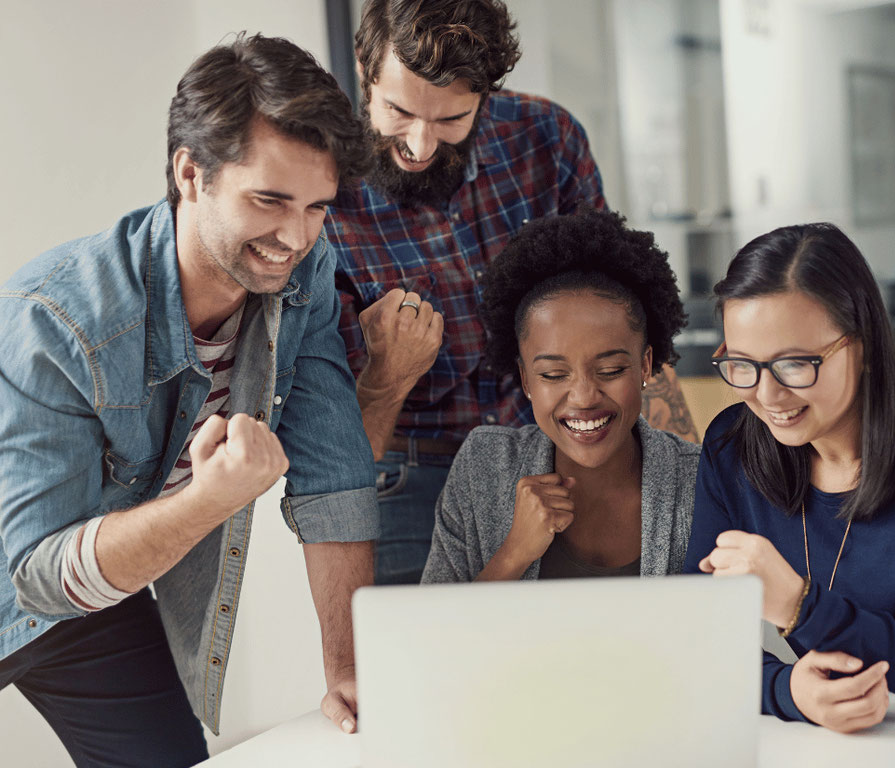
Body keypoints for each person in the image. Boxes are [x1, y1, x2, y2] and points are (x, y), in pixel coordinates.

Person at [0, 34, 378, 765]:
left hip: (90, 595)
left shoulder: (303, 272)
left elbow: (333, 472)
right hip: (34, 562)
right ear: (190, 174)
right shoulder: (56, 320)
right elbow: (38, 574)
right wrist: (210, 500)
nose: (295, 236)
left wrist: (348, 667)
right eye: (269, 200)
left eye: (317, 207)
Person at [328, 0, 698, 585]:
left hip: (554, 461)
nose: (421, 145)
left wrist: (677, 474)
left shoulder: (545, 139)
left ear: (486, 94)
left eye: (451, 120)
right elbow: (335, 447)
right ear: (365, 69)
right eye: (398, 111)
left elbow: (621, 307)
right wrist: (387, 374)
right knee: (420, 667)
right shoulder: (324, 197)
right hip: (406, 477)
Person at [684, 223, 895, 733]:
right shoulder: (731, 446)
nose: (767, 395)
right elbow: (699, 636)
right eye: (743, 364)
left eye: (793, 363)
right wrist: (788, 692)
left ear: (864, 347)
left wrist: (800, 607)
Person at [421, 209, 699, 583]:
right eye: (553, 374)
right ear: (525, 378)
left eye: (611, 370)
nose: (584, 397)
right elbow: (437, 637)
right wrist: (513, 554)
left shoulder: (700, 478)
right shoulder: (484, 468)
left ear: (646, 365)